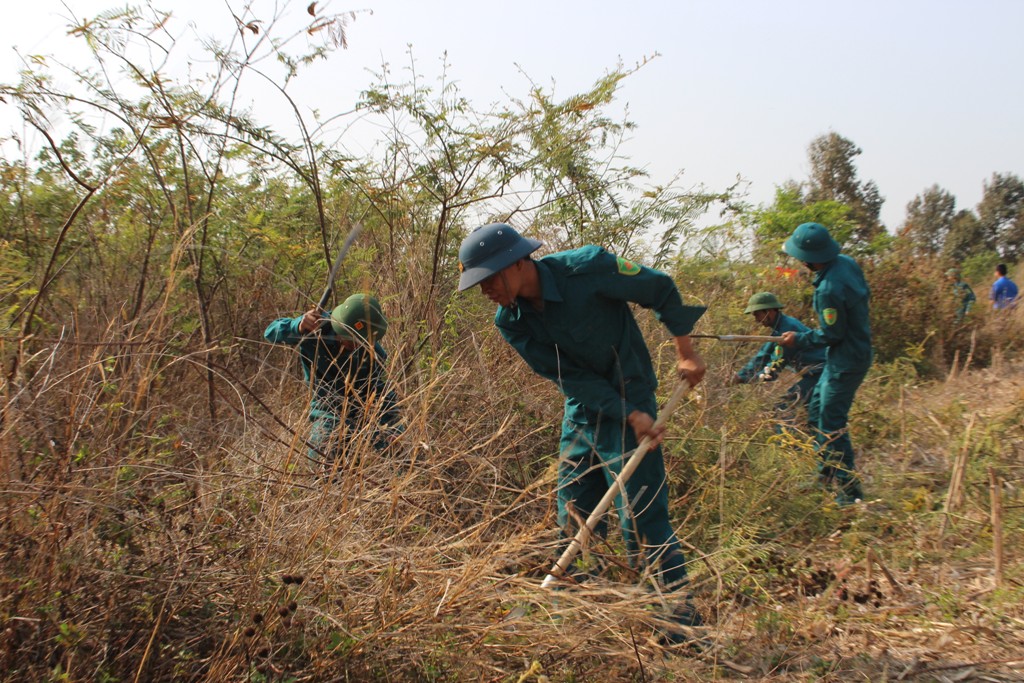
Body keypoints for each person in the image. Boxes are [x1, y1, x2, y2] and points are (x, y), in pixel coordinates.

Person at [457, 222, 708, 645]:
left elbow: (660, 288)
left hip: (633, 395)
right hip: (584, 411)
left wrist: (686, 352)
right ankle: (572, 617)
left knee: (641, 517)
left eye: (489, 279)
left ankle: (677, 625)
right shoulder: (511, 321)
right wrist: (621, 412)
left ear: (519, 263)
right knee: (572, 514)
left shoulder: (588, 268)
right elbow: (566, 375)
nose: (486, 292)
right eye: (477, 284)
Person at [778, 223, 872, 506]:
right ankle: (824, 475)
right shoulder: (845, 264)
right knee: (817, 410)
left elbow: (832, 334)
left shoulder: (828, 289)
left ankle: (850, 492)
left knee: (831, 423)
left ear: (809, 257)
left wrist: (799, 339)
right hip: (846, 354)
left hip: (846, 360)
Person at [264, 293, 403, 473]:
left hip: (366, 408)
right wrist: (297, 325)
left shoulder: (375, 354)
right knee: (325, 461)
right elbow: (270, 332)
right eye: (351, 339)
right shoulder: (314, 330)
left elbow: (382, 392)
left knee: (400, 454)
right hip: (328, 409)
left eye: (361, 340)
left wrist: (391, 426)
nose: (355, 345)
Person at [731, 292, 825, 428]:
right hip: (815, 376)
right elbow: (763, 356)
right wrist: (741, 375)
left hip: (820, 375)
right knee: (813, 418)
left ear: (769, 311)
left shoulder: (787, 329)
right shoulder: (779, 328)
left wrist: (744, 379)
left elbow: (774, 367)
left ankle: (790, 447)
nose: (757, 320)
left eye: (757, 315)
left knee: (782, 409)